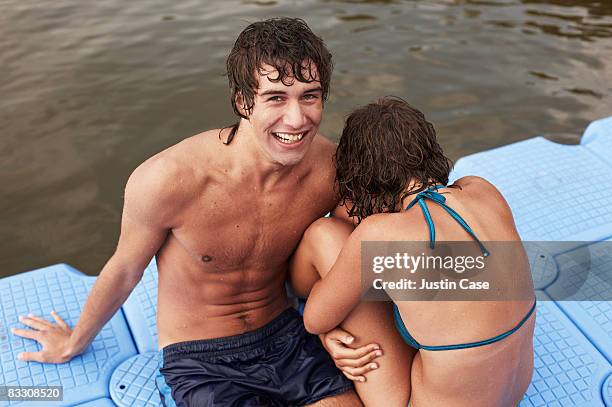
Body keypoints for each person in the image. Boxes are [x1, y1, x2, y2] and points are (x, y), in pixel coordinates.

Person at [11, 18, 379, 406]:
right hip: (203, 359)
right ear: (243, 102)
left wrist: (330, 327)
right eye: (275, 98)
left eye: (309, 96)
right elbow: (125, 269)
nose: (297, 118)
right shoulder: (169, 180)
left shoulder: (330, 169)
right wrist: (72, 343)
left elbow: (368, 242)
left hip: (288, 335)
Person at [294, 97, 536, 406]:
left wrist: (328, 335)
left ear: (362, 177)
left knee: (323, 234)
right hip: (512, 394)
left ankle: (291, 295)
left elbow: (314, 321)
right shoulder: (482, 190)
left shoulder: (380, 234)